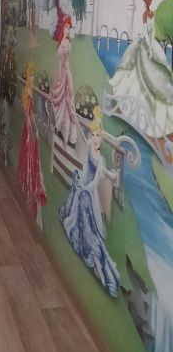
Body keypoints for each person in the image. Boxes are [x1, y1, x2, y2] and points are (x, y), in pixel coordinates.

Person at [59, 106, 119, 297]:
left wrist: (86, 187)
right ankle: (90, 255)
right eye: (93, 135)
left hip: (89, 194)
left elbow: (95, 182)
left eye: (97, 135)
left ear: (101, 137)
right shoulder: (89, 149)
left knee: (88, 221)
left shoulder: (99, 159)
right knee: (76, 212)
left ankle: (98, 267)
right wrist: (76, 119)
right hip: (83, 189)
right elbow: (86, 167)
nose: (94, 138)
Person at [110, 0, 173, 138]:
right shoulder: (145, 15)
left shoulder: (154, 12)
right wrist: (152, 50)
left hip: (154, 46)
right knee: (147, 81)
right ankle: (143, 113)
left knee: (156, 81)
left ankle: (156, 114)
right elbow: (147, 33)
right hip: (147, 47)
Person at [16, 62, 46, 227]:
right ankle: (28, 185)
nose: (33, 78)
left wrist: (34, 126)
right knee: (28, 156)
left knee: (28, 156)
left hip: (28, 128)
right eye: (32, 75)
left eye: (33, 75)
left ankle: (27, 184)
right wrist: (33, 128)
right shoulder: (29, 92)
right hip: (28, 129)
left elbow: (30, 113)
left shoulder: (29, 90)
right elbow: (29, 114)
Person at [50, 14, 78, 146]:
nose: (67, 30)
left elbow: (65, 64)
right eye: (66, 27)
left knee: (68, 102)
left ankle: (70, 136)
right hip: (62, 75)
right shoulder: (62, 42)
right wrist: (58, 79)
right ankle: (62, 130)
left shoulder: (67, 43)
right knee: (62, 104)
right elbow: (60, 63)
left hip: (66, 75)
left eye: (69, 27)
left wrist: (63, 80)